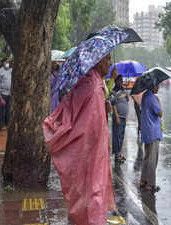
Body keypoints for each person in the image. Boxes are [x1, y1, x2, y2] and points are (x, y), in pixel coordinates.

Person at [43, 54, 116, 225]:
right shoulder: (89, 84)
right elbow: (71, 111)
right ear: (97, 61)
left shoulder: (97, 82)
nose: (110, 63)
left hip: (97, 149)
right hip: (88, 148)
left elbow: (94, 114)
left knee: (94, 188)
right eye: (107, 59)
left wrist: (104, 107)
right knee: (92, 189)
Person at [139, 85, 163, 192]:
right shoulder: (153, 98)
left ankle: (143, 180)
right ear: (152, 85)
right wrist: (159, 102)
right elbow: (160, 113)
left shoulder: (144, 96)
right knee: (153, 159)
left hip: (146, 131)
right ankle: (150, 184)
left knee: (147, 157)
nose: (158, 87)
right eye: (157, 85)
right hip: (153, 131)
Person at [109, 75, 129, 163]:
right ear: (116, 81)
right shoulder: (113, 92)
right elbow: (112, 104)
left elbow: (126, 101)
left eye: (122, 80)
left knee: (121, 136)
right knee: (117, 136)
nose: (121, 82)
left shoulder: (123, 91)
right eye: (119, 81)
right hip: (118, 117)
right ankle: (117, 155)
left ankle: (119, 153)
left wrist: (126, 97)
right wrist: (116, 116)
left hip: (124, 117)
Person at [0, 58, 12, 129]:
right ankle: (2, 125)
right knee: (2, 110)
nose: (7, 63)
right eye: (6, 62)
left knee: (8, 110)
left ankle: (7, 124)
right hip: (3, 94)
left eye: (8, 62)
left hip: (10, 93)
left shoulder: (10, 70)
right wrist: (0, 95)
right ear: (3, 63)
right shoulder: (0, 71)